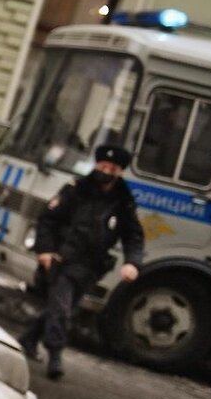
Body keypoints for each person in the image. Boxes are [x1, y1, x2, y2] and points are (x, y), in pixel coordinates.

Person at [20, 144, 144, 380]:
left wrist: (133, 262)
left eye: (112, 169)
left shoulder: (123, 201)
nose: (106, 171)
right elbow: (48, 219)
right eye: (103, 166)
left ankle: (29, 339)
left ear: (120, 172)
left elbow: (133, 235)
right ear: (96, 165)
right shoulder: (76, 189)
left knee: (61, 308)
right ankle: (55, 355)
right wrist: (45, 250)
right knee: (61, 309)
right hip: (62, 260)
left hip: (91, 266)